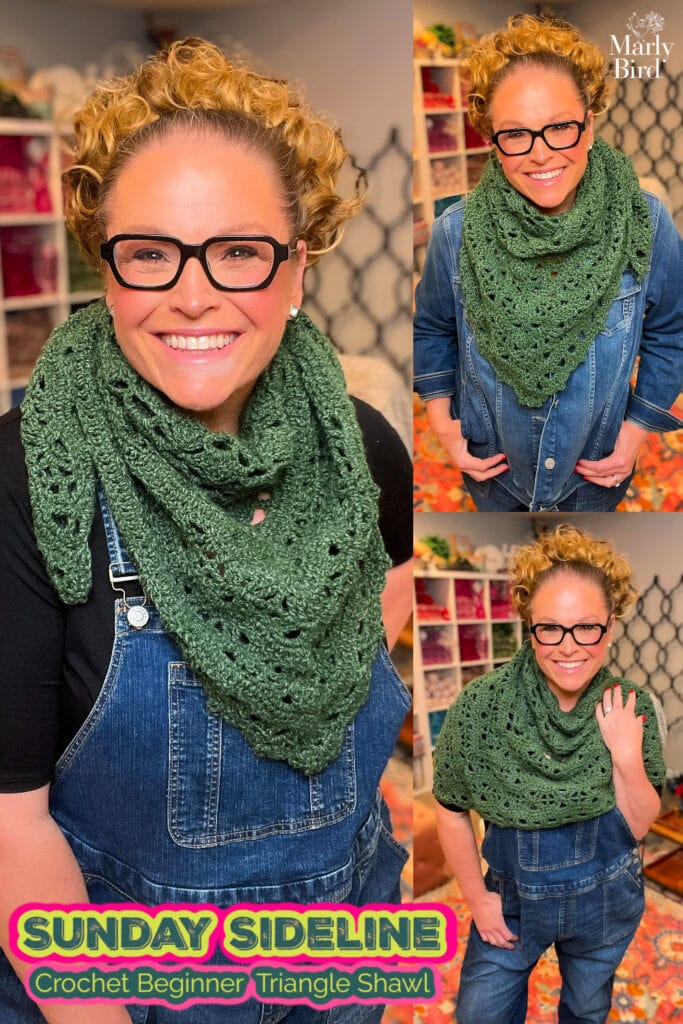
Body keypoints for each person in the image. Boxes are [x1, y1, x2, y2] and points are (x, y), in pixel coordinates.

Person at [0, 38, 414, 1024]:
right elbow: (12, 832)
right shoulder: (24, 477)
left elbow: (381, 625)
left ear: (296, 268)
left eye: (237, 250)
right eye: (150, 252)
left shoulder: (366, 449)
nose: (194, 294)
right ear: (107, 266)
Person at [414, 13, 683, 511]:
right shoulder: (455, 231)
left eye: (559, 127)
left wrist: (635, 434)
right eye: (516, 134)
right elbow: (433, 327)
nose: (540, 154)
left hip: (593, 480)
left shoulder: (645, 222)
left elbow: (672, 331)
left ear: (589, 123)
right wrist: (442, 426)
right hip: (494, 477)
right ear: (492, 140)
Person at [433, 524, 666, 1024]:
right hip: (511, 903)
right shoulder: (479, 708)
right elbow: (449, 809)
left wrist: (625, 753)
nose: (568, 647)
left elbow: (642, 823)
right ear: (529, 625)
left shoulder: (630, 706)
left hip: (605, 904)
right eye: (550, 628)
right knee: (479, 1014)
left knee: (586, 1011)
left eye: (587, 627)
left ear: (610, 624)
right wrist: (477, 899)